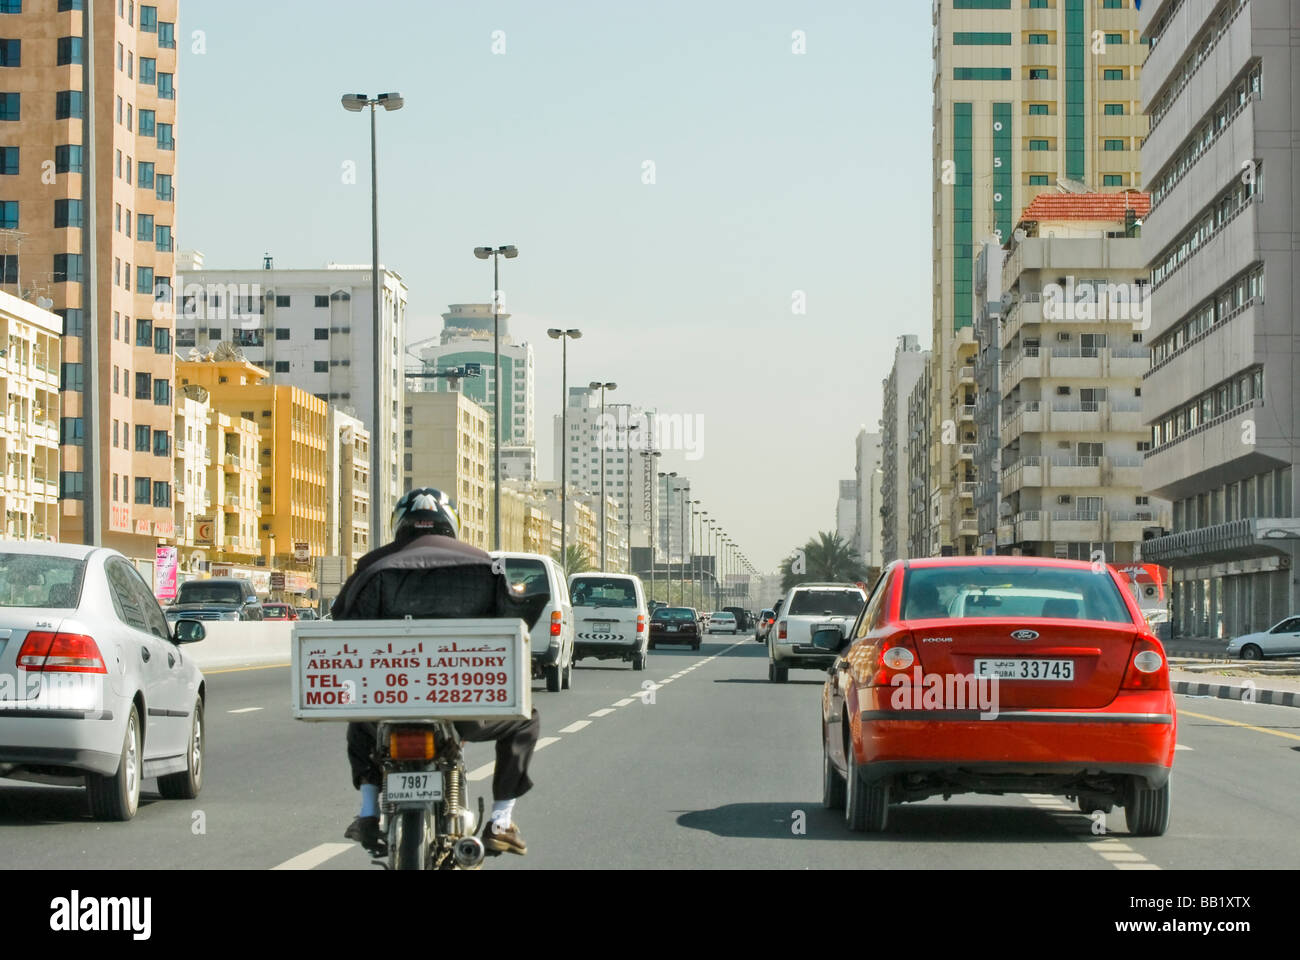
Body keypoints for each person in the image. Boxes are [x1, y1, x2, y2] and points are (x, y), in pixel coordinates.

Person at [334, 487, 543, 857]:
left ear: (401, 523)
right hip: (466, 710)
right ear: (452, 523)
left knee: (361, 723)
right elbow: (511, 621)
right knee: (526, 720)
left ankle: (368, 812)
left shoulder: (371, 565)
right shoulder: (484, 564)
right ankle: (500, 821)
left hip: (387, 703)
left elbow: (342, 620)